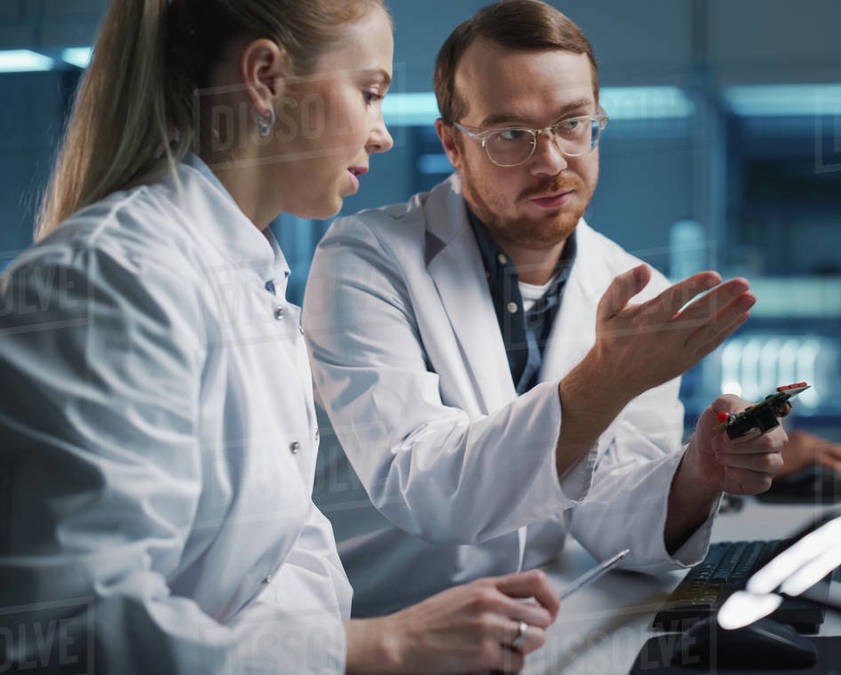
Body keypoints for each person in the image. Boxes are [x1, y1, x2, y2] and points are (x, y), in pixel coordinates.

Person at [0, 1, 554, 672]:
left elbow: (286, 564)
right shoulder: (109, 279)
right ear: (264, 78)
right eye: (368, 92)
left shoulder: (254, 287)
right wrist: (388, 644)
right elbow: (72, 630)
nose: (380, 134)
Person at [302, 0, 795, 617]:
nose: (552, 161)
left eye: (571, 123)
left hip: (535, 622)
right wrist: (606, 379)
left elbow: (613, 517)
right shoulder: (365, 258)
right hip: (389, 622)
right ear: (454, 145)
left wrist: (699, 470)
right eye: (511, 134)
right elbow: (423, 485)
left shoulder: (629, 285)